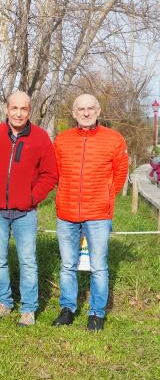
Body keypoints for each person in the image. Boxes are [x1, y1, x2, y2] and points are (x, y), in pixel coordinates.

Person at [52, 94, 128, 331]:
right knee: (67, 265)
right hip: (66, 213)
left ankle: (96, 313)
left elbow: (120, 173)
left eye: (90, 108)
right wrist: (67, 195)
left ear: (98, 110)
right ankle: (67, 308)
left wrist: (104, 197)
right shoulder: (62, 140)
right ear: (74, 113)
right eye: (81, 109)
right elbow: (56, 174)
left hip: (98, 214)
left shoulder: (114, 139)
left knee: (98, 266)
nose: (86, 113)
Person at [0, 91, 58, 326]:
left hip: (25, 212)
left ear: (30, 111)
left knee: (27, 260)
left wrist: (32, 197)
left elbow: (50, 174)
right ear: (7, 109)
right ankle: (4, 301)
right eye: (14, 108)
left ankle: (28, 307)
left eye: (23, 109)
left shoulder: (40, 137)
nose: (18, 113)